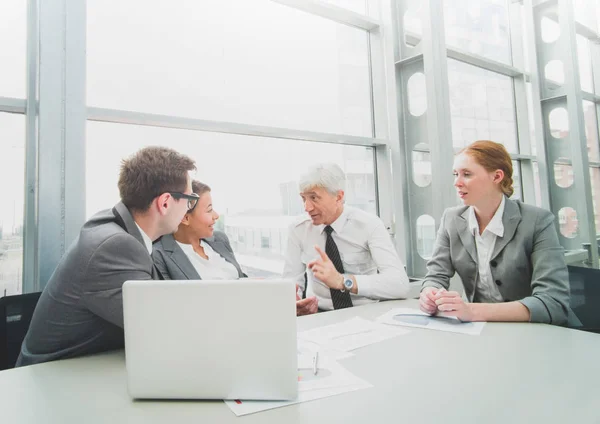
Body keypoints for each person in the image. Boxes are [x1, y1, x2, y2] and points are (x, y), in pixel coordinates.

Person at [17, 147, 197, 366]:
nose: (189, 209)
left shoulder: (117, 226)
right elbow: (161, 327)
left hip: (86, 365)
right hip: (55, 378)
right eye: (189, 199)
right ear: (165, 202)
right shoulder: (116, 246)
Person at [419, 140, 575, 325]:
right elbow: (436, 276)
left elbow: (553, 302)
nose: (457, 183)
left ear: (497, 176)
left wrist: (471, 310)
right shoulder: (451, 219)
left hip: (536, 332)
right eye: (455, 174)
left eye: (466, 174)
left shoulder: (537, 221)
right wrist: (430, 294)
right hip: (482, 331)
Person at [153, 180, 319, 316]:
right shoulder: (160, 255)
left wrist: (278, 297)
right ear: (185, 218)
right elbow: (182, 312)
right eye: (209, 210)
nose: (216, 215)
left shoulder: (218, 240)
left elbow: (241, 281)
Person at [283, 163, 410, 312]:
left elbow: (399, 284)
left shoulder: (369, 225)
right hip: (319, 314)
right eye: (303, 198)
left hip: (366, 312)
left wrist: (342, 281)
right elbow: (291, 282)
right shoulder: (298, 229)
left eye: (314, 198)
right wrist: (294, 303)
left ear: (338, 196)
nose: (307, 207)